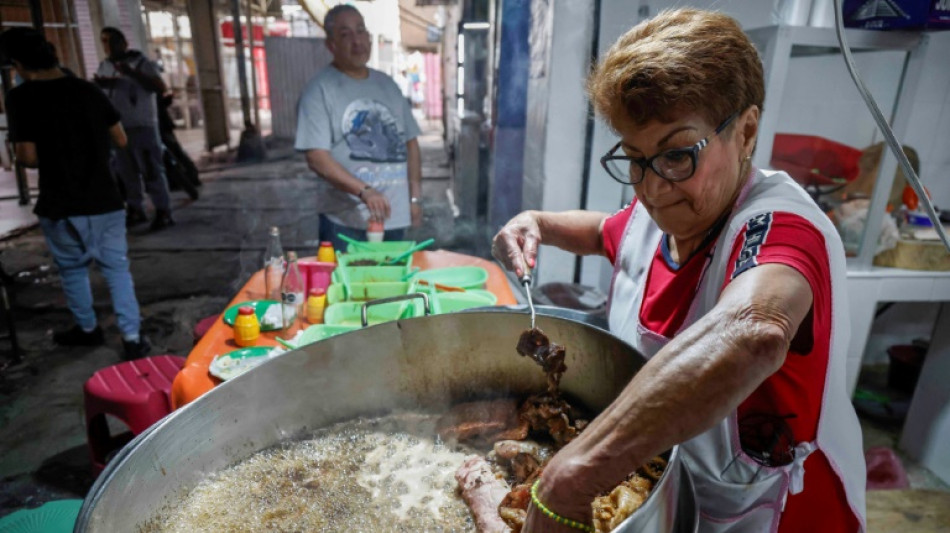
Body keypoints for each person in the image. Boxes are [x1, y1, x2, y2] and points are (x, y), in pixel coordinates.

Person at [492, 9, 865, 533]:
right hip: (678, 499)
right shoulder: (656, 218)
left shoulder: (781, 225)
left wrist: (569, 477)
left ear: (746, 131)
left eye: (677, 155)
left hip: (777, 515)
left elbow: (755, 330)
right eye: (634, 158)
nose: (651, 188)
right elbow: (604, 230)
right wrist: (537, 223)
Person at [2, 28, 150, 360]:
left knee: (72, 269)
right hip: (103, 199)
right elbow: (121, 139)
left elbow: (26, 157)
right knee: (116, 269)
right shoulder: (89, 90)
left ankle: (87, 329)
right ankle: (132, 337)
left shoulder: (21, 97)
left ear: (18, 64)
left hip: (60, 202)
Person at [295, 4, 422, 251]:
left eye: (361, 31)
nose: (357, 41)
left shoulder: (388, 85)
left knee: (393, 287)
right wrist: (365, 191)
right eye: (345, 34)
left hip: (394, 218)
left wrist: (414, 199)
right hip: (345, 223)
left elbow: (411, 144)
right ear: (331, 44)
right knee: (348, 288)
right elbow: (316, 157)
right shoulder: (319, 89)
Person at [95, 27, 174, 231]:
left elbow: (159, 87)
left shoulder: (141, 63)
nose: (108, 46)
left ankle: (163, 210)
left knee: (151, 169)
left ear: (123, 43)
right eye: (104, 41)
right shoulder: (105, 66)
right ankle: (135, 208)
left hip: (142, 125)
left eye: (112, 41)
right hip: (119, 128)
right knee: (126, 172)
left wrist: (132, 74)